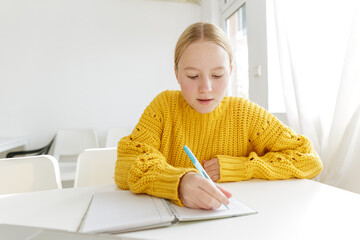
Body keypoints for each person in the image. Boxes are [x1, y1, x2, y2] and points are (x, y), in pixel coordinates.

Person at [114, 22, 323, 210]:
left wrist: (240, 167)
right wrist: (178, 183)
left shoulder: (245, 113)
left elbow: (308, 159)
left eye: (217, 75)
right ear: (176, 74)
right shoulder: (164, 107)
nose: (206, 88)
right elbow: (126, 163)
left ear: (230, 71)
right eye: (193, 76)